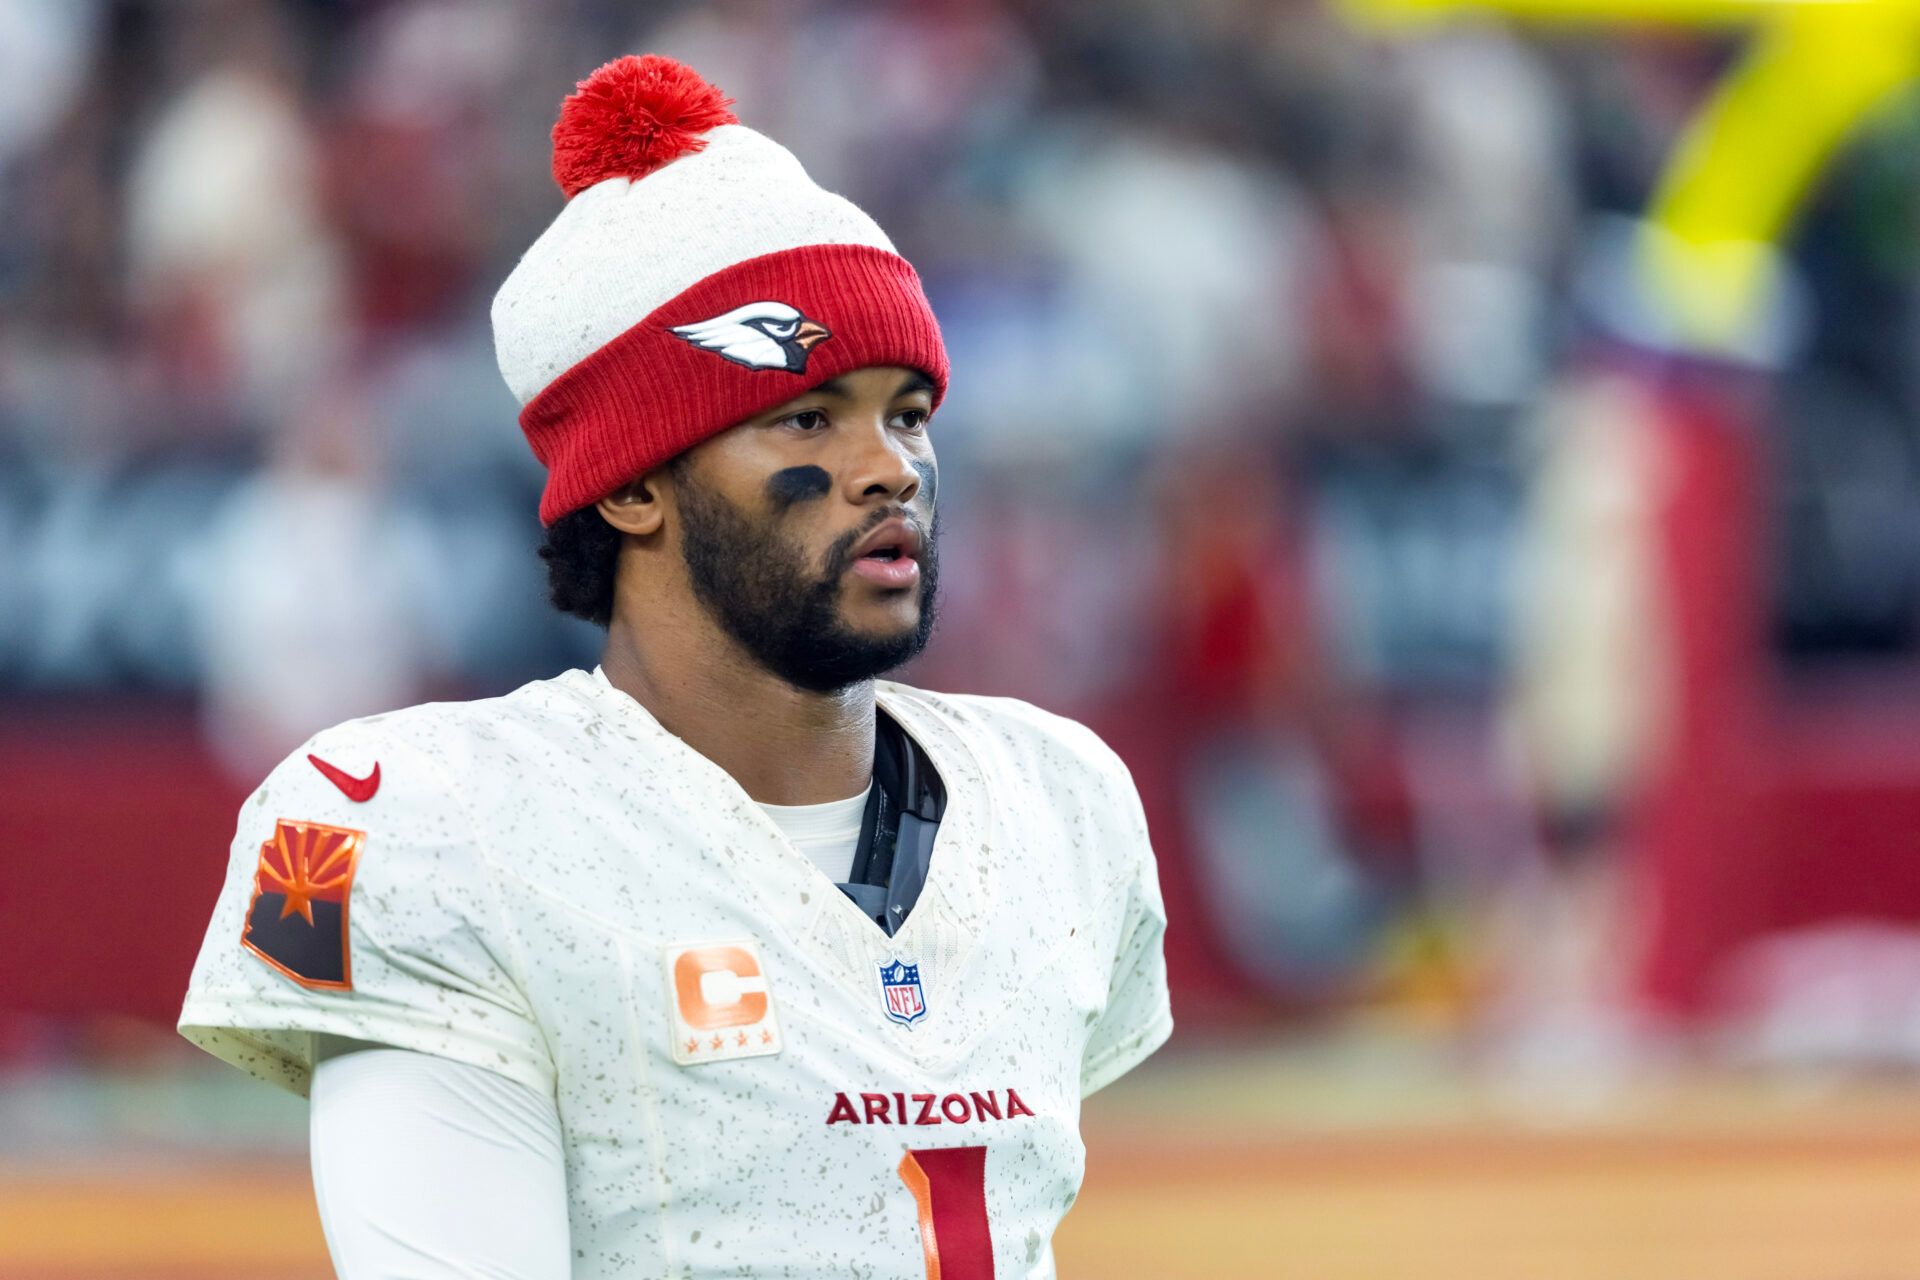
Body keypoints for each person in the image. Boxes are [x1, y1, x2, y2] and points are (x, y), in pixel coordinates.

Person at [178, 54, 1171, 1279]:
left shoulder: (1057, 799)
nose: (891, 467)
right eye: (808, 416)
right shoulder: (434, 831)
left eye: (908, 411)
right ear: (635, 482)